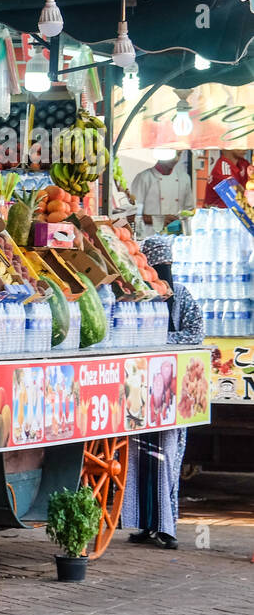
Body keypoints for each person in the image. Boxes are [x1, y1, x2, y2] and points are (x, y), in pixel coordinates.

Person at [121, 235, 203, 551]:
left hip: (173, 395)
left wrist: (159, 342)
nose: (161, 271)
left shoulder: (182, 296)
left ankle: (167, 528)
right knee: (139, 456)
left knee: (169, 455)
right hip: (141, 389)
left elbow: (195, 334)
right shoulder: (138, 297)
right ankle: (143, 524)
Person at [130, 153, 194, 233]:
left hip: (177, 236)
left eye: (179, 154)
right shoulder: (143, 178)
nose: (176, 159)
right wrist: (159, 220)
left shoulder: (184, 178)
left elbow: (189, 210)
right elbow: (131, 216)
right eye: (173, 154)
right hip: (150, 236)